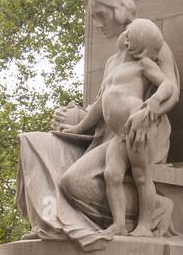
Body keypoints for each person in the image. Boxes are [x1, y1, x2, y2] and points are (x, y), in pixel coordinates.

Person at [54, 18, 175, 238]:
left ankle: (145, 225)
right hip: (119, 134)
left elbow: (167, 85)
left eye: (131, 34)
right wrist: (78, 128)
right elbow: (100, 104)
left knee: (141, 175)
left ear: (138, 44)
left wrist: (152, 106)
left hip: (137, 128)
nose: (125, 36)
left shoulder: (143, 65)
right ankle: (119, 224)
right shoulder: (113, 67)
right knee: (112, 175)